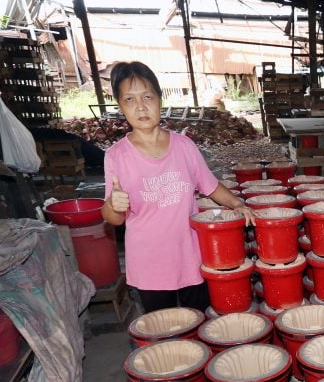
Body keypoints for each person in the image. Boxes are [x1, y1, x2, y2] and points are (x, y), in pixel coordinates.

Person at [101, 61, 253, 313]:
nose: (141, 106)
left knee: (200, 323)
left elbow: (210, 186)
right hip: (150, 265)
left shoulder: (184, 146)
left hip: (190, 257)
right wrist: (112, 205)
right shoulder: (116, 156)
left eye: (148, 96)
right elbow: (113, 218)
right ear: (120, 107)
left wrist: (238, 203)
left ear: (160, 99)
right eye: (130, 99)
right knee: (166, 335)